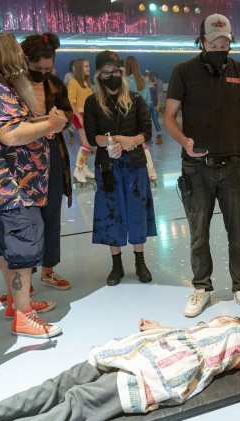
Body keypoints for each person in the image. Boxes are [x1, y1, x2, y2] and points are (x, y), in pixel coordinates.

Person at [0, 302, 240, 421]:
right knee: (61, 383)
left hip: (171, 368)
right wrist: (161, 328)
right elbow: (194, 332)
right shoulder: (236, 321)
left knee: (80, 402)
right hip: (153, 347)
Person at [0, 32, 67, 338]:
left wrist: (40, 124)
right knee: (22, 247)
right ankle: (24, 315)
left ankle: (17, 303)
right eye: (18, 54)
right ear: (7, 55)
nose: (22, 59)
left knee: (8, 245)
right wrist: (51, 124)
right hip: (12, 185)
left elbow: (5, 127)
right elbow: (11, 134)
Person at [165, 14, 240, 317]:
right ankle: (201, 288)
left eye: (225, 44)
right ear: (202, 41)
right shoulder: (183, 72)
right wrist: (184, 141)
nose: (220, 49)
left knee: (239, 233)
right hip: (196, 167)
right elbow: (168, 116)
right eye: (214, 44)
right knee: (198, 233)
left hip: (233, 165)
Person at [83, 50, 156, 286]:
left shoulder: (135, 99)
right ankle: (116, 264)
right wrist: (115, 140)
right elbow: (93, 137)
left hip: (134, 165)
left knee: (137, 212)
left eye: (115, 72)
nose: (112, 76)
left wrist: (131, 141)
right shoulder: (92, 102)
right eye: (106, 73)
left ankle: (140, 261)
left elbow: (147, 131)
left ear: (122, 73)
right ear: (99, 76)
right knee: (111, 214)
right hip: (107, 167)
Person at [22, 33, 74, 291]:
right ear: (24, 60)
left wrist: (60, 118)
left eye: (47, 69)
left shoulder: (54, 84)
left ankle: (48, 270)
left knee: (51, 211)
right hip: (21, 154)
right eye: (37, 68)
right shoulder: (11, 86)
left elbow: (69, 113)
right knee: (24, 217)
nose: (42, 73)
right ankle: (23, 278)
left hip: (52, 149)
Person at [124, 56, 156, 185]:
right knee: (142, 144)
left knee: (134, 145)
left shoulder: (125, 81)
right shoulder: (143, 81)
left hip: (130, 117)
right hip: (143, 116)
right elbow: (148, 101)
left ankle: (150, 174)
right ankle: (151, 174)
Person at [67, 57, 95, 185]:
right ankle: (78, 169)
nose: (89, 68)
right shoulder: (73, 82)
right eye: (86, 66)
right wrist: (79, 116)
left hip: (88, 114)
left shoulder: (87, 82)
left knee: (87, 143)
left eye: (89, 66)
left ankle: (84, 168)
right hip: (80, 115)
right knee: (86, 143)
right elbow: (71, 102)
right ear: (79, 68)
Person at [145, 70, 164, 145]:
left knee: (155, 120)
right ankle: (148, 137)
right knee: (148, 121)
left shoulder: (157, 85)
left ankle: (159, 136)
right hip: (147, 105)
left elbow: (159, 96)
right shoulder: (145, 86)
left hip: (155, 105)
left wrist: (159, 105)